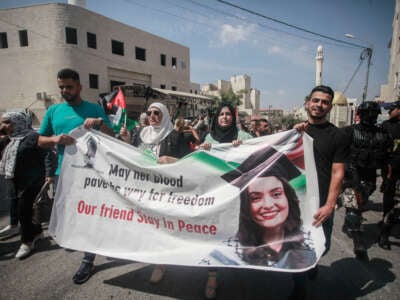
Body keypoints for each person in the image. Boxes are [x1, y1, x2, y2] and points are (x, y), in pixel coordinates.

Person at [38, 68, 113, 284]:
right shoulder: (53, 111)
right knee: (70, 216)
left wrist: (99, 123)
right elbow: (40, 140)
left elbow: (112, 137)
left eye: (69, 87)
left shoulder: (94, 109)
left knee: (89, 216)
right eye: (61, 87)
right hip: (65, 174)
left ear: (79, 87)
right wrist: (54, 140)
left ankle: (88, 259)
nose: (64, 91)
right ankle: (87, 244)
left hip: (91, 174)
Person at [119, 102, 187, 282]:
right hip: (143, 189)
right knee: (149, 225)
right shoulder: (140, 134)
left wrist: (171, 160)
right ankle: (158, 259)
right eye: (149, 112)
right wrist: (126, 139)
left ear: (164, 114)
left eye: (157, 112)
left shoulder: (175, 135)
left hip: (165, 190)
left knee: (163, 225)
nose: (152, 116)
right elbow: (132, 153)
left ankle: (161, 263)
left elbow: (189, 162)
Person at [294, 85, 349, 299]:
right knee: (298, 245)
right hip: (298, 200)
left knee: (322, 244)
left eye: (325, 102)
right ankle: (298, 287)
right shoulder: (296, 132)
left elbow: (338, 172)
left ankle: (312, 263)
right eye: (316, 100)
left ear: (329, 106)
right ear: (308, 102)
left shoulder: (338, 136)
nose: (319, 105)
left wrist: (329, 204)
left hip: (322, 202)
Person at [222, 146, 316, 269]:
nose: (268, 205)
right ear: (246, 205)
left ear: (288, 198)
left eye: (276, 194)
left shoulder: (309, 240)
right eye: (255, 198)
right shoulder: (231, 250)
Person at [199, 102, 253, 299]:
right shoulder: (209, 137)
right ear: (216, 118)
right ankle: (212, 276)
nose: (224, 117)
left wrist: (244, 147)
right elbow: (202, 162)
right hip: (216, 194)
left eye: (228, 114)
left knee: (237, 233)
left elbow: (257, 156)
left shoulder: (244, 137)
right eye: (221, 114)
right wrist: (204, 149)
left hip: (239, 195)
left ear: (233, 117)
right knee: (214, 234)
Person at [339, 101, 392, 259]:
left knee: (360, 203)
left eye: (373, 113)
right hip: (350, 176)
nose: (370, 116)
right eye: (367, 113)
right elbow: (338, 154)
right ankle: (358, 240)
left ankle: (352, 221)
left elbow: (386, 159)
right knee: (353, 207)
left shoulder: (382, 134)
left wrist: (387, 178)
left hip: (369, 178)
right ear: (359, 114)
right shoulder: (349, 132)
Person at [0, 112, 56, 258]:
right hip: (14, 180)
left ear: (17, 122)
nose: (3, 126)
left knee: (23, 212)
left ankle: (27, 242)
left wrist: (49, 175)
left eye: (7, 122)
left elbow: (48, 154)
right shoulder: (9, 140)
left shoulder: (32, 137)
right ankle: (37, 232)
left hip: (32, 181)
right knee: (29, 210)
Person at [379, 100, 400, 249]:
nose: (389, 112)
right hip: (390, 170)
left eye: (391, 109)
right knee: (389, 196)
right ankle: (384, 232)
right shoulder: (386, 126)